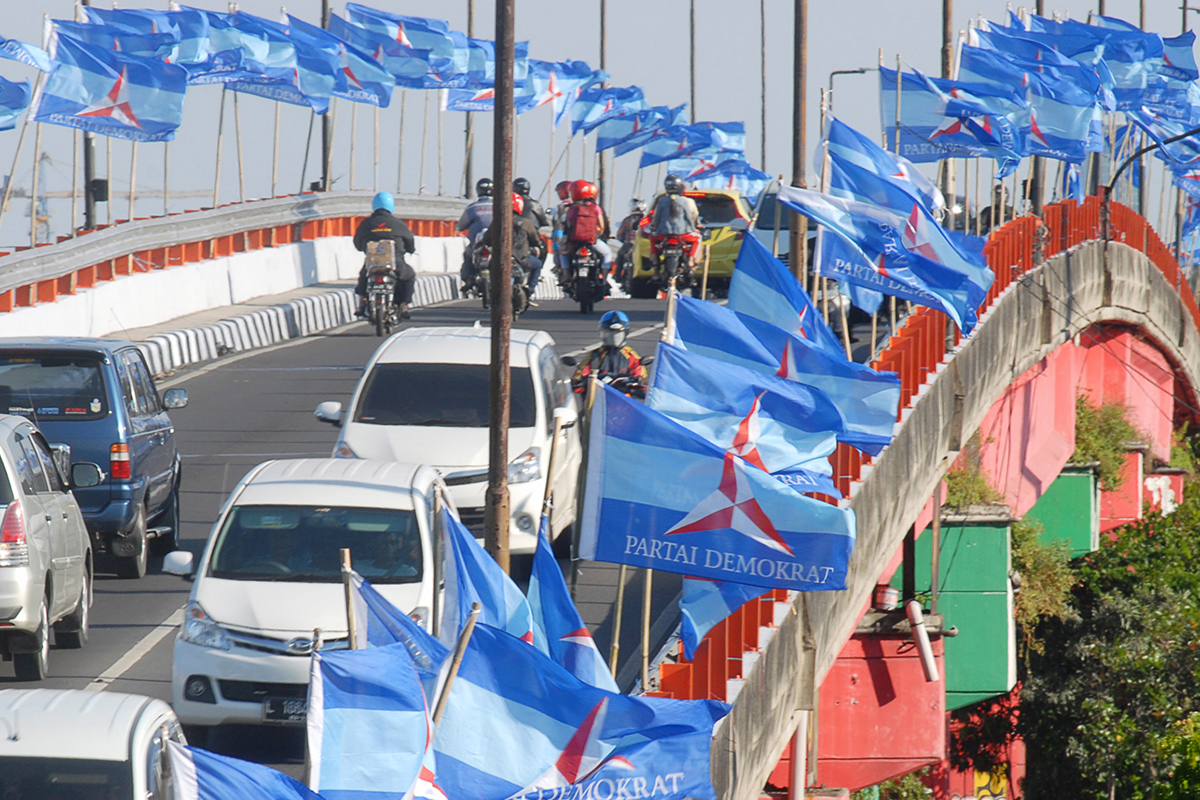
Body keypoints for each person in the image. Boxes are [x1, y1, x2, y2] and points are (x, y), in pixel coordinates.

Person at [354, 192, 416, 319]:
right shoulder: (398, 223)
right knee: (409, 275)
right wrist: (410, 249)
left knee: (363, 276)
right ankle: (404, 304)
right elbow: (409, 240)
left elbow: (357, 243)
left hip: (373, 263)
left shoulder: (366, 224)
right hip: (395, 263)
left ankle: (362, 303)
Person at [480, 193, 546, 296]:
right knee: (538, 265)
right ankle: (530, 288)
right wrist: (537, 246)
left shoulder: (497, 222)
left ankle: (492, 288)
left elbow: (487, 239)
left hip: (499, 259)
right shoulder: (525, 223)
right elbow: (536, 240)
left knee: (489, 267)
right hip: (521, 259)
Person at [571, 310, 647, 394]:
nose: (614, 337)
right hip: (597, 400)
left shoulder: (631, 355)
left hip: (623, 401)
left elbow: (641, 378)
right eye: (610, 333)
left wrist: (639, 381)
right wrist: (578, 382)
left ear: (625, 333)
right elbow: (579, 376)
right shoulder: (594, 355)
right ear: (602, 333)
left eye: (618, 333)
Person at [649, 173, 702, 268]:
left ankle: (655, 264)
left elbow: (656, 217)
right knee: (698, 239)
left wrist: (654, 227)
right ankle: (690, 260)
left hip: (663, 234)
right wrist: (695, 226)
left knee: (652, 238)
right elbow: (691, 216)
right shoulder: (687, 201)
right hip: (683, 234)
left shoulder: (661, 201)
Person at [564, 180, 613, 273]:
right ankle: (603, 278)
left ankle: (566, 275)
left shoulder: (572, 208)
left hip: (575, 241)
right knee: (607, 254)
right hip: (592, 241)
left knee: (563, 254)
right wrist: (597, 235)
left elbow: (568, 224)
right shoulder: (595, 207)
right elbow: (602, 226)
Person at [456, 178, 495, 290]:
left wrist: (460, 228)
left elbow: (461, 225)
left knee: (468, 255)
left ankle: (469, 279)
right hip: (496, 244)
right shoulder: (501, 206)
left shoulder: (473, 208)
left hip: (477, 243)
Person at [616, 198, 648, 279]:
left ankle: (617, 277)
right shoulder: (646, 220)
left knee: (620, 257)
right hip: (642, 246)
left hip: (629, 245)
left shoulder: (627, 219)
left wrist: (619, 238)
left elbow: (620, 233)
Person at [551, 180, 574, 285]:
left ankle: (561, 270)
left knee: (560, 252)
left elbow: (555, 221)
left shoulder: (561, 206)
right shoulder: (580, 203)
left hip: (564, 236)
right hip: (579, 236)